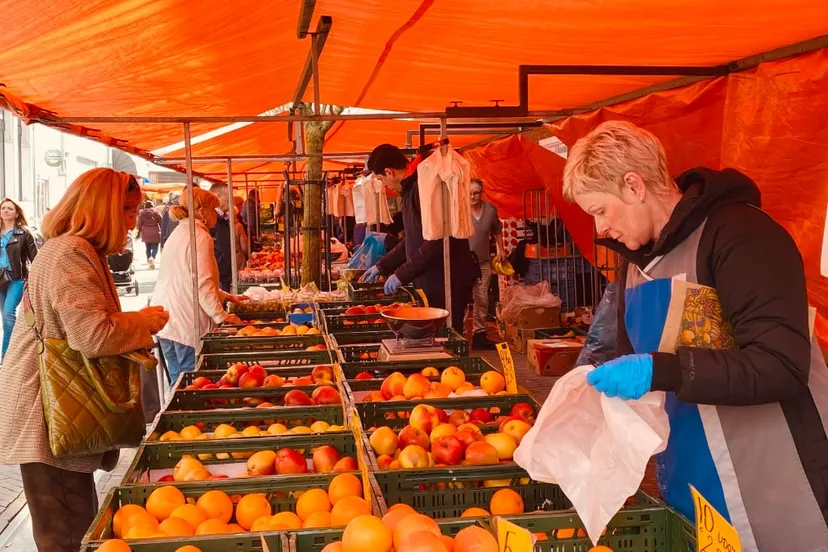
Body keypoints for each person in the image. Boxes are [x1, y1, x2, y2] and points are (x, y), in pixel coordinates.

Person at [562, 120, 828, 551]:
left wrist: (660, 369)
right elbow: (634, 367)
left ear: (634, 186)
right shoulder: (635, 265)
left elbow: (781, 364)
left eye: (599, 210)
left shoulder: (741, 235)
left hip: (778, 478)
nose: (599, 230)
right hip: (694, 481)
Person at [0, 168, 169, 551]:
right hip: (45, 411)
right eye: (128, 211)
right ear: (103, 210)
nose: (133, 221)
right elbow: (91, 334)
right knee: (65, 529)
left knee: (75, 516)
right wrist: (141, 322)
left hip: (59, 409)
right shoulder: (70, 254)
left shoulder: (76, 249)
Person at [363, 144, 479, 332]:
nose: (384, 185)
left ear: (389, 172)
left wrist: (401, 275)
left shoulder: (422, 187)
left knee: (446, 333)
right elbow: (412, 238)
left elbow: (435, 241)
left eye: (381, 179)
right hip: (429, 280)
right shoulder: (410, 189)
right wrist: (382, 266)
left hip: (445, 278)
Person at [151, 188, 246, 386]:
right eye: (213, 210)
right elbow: (202, 285)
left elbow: (189, 279)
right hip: (187, 323)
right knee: (192, 386)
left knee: (178, 385)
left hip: (167, 322)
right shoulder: (200, 237)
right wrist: (223, 317)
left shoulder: (179, 232)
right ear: (202, 213)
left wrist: (227, 297)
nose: (216, 215)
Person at [467, 178, 505, 349]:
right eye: (469, 193)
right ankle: (459, 334)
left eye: (476, 192)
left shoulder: (490, 210)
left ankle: (479, 335)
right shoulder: (460, 211)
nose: (473, 196)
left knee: (481, 298)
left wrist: (501, 250)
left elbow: (497, 230)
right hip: (464, 262)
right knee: (462, 300)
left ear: (482, 193)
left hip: (483, 262)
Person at [0, 198, 37, 359]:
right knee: (4, 316)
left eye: (10, 208)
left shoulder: (24, 234)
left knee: (8, 314)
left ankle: (6, 356)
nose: (6, 211)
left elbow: (35, 259)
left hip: (16, 278)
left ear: (16, 214)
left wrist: (35, 280)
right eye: (3, 208)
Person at [209, 183, 233, 293]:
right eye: (229, 196)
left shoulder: (223, 218)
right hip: (217, 273)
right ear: (218, 196)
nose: (232, 199)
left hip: (224, 271)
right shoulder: (210, 218)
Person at [136, 200, 162, 269]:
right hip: (155, 232)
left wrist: (138, 233)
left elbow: (139, 225)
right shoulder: (156, 213)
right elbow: (161, 222)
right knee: (155, 247)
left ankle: (149, 260)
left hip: (145, 233)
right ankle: (152, 257)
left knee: (147, 248)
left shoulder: (142, 213)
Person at [233, 195, 250, 272]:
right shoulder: (238, 226)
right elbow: (244, 245)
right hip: (238, 257)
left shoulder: (222, 226)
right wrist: (248, 255)